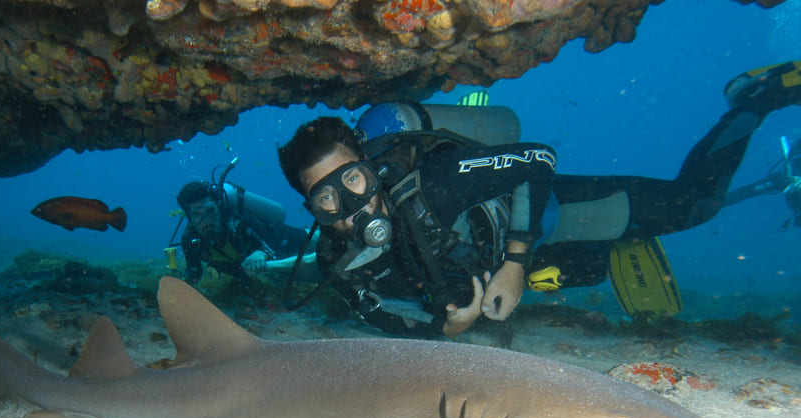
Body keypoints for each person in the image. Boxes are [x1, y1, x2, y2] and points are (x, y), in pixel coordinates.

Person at [277, 60, 801, 338]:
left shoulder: (437, 182)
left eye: (353, 181)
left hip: (549, 214)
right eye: (326, 198)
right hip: (522, 261)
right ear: (311, 209)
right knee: (589, 271)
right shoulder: (337, 262)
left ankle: (754, 103)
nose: (351, 206)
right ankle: (603, 257)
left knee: (695, 206)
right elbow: (382, 320)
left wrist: (514, 264)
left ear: (371, 169)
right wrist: (444, 328)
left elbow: (538, 160)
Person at [175, 168, 309, 283]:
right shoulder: (190, 241)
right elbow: (194, 274)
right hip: (281, 272)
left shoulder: (240, 224)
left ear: (219, 209)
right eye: (197, 215)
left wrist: (261, 254)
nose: (206, 220)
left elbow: (274, 244)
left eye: (210, 211)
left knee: (322, 240)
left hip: (290, 238)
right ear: (190, 218)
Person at [722, 135, 801, 229]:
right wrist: (714, 203)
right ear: (790, 165)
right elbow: (745, 192)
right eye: (799, 164)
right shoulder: (783, 180)